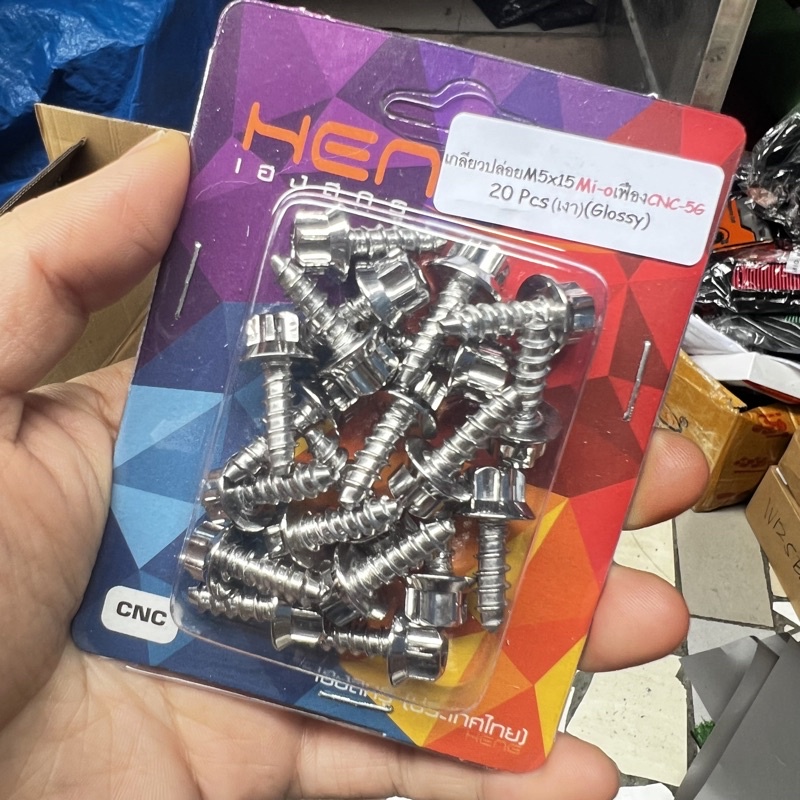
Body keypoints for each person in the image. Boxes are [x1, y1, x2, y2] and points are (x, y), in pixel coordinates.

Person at [0, 130, 708, 799]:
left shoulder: (442, 403)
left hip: (360, 510)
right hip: (283, 568)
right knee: (332, 492)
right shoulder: (356, 417)